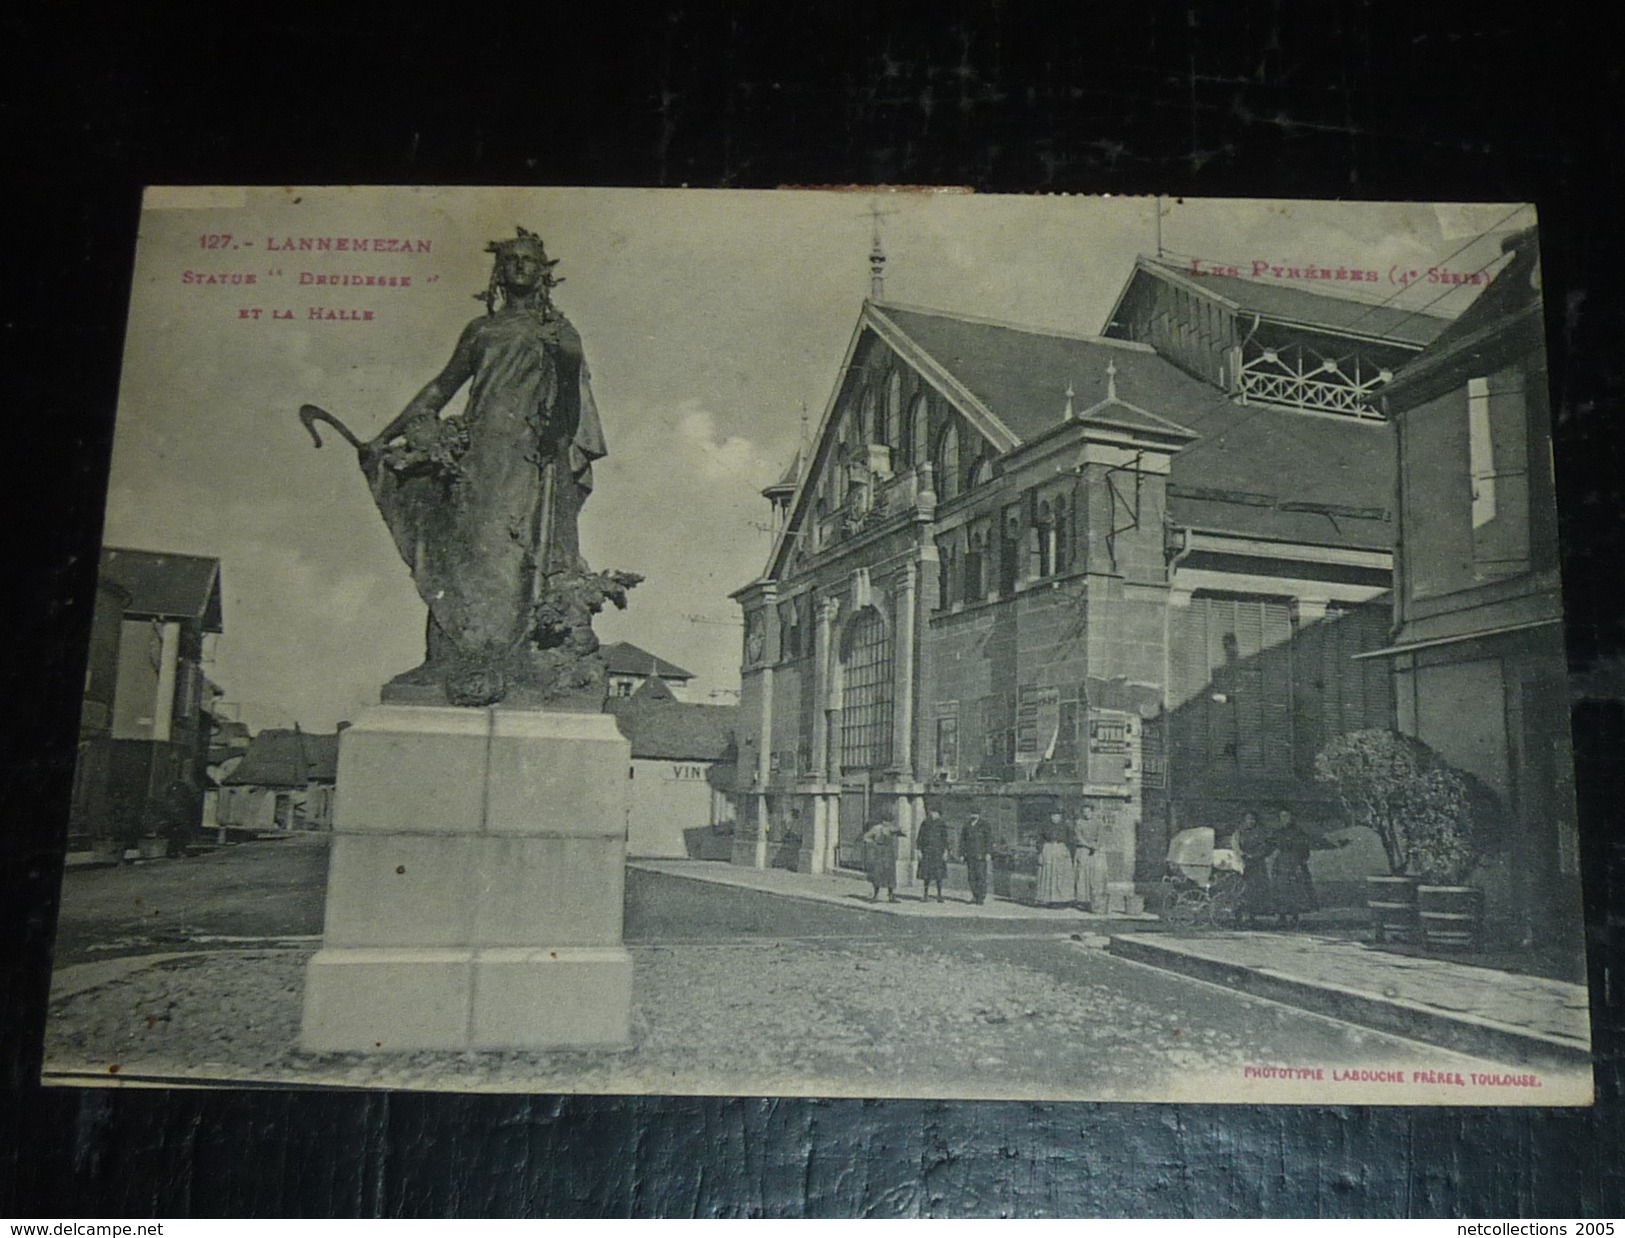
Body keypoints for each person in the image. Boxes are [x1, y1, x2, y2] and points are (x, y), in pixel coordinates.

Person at [361, 228, 609, 698]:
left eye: (527, 260)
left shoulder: (558, 331)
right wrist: (384, 437)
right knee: (459, 551)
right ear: (498, 271)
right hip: (474, 458)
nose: (518, 265)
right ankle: (448, 657)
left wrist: (568, 360)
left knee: (516, 555)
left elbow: (571, 409)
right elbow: (441, 387)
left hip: (529, 460)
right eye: (510, 259)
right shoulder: (481, 330)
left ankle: (518, 658)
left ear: (543, 274)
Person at [1270, 807, 1350, 929]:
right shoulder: (1278, 833)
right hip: (1281, 864)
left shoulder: (1298, 833)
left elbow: (1311, 843)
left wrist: (1335, 844)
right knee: (1281, 890)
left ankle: (1295, 917)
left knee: (1296, 891)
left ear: (1292, 818)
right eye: (1282, 817)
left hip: (1296, 864)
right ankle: (1282, 917)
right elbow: (1269, 844)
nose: (1285, 819)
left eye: (1287, 816)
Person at [1233, 810, 1275, 928]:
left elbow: (1266, 847)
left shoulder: (1260, 833)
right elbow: (1235, 846)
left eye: (1253, 819)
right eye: (1248, 819)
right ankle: (1239, 915)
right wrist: (1242, 855)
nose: (1251, 821)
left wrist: (1256, 855)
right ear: (1244, 820)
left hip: (1257, 865)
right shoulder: (1239, 832)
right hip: (1243, 864)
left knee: (1256, 890)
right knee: (1241, 890)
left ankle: (1252, 916)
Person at [1071, 808, 1111, 912]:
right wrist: (1087, 845)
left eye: (1088, 811)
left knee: (1097, 874)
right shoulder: (1079, 823)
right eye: (1084, 812)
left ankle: (1096, 899)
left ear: (1092, 812)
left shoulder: (1098, 822)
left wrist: (1096, 845)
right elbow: (1078, 836)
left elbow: (1101, 835)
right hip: (1083, 850)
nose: (1086, 814)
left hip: (1096, 850)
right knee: (1082, 875)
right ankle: (1083, 900)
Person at [1035, 811, 1074, 908]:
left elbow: (1071, 840)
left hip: (1061, 850)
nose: (1055, 817)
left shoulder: (1066, 827)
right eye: (1053, 815)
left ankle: (1061, 900)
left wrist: (1068, 852)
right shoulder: (1045, 826)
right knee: (1048, 875)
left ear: (1060, 817)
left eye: (1057, 815)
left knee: (1060, 875)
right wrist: (1040, 852)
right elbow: (1039, 839)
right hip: (1048, 850)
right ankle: (1048, 899)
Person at [861, 818, 904, 903]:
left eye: (889, 821)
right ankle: (875, 895)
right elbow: (866, 837)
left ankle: (891, 895)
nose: (887, 823)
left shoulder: (892, 828)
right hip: (879, 852)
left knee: (890, 874)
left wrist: (898, 831)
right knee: (878, 873)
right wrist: (873, 844)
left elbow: (901, 834)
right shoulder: (876, 828)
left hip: (889, 852)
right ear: (882, 821)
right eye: (885, 821)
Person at [915, 808, 950, 903]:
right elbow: (920, 837)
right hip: (927, 852)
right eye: (932, 812)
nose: (933, 814)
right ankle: (925, 894)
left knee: (939, 874)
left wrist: (946, 851)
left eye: (936, 812)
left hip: (938, 852)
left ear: (939, 814)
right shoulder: (925, 823)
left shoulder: (942, 824)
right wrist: (919, 850)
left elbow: (945, 838)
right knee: (926, 874)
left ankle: (939, 895)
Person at [961, 811, 994, 905]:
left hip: (981, 855)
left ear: (979, 815)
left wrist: (988, 853)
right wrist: (962, 854)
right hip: (970, 855)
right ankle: (975, 896)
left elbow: (989, 839)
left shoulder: (984, 825)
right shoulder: (967, 825)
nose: (973, 815)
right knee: (971, 877)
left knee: (981, 876)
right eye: (972, 813)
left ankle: (981, 897)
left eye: (976, 813)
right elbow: (963, 840)